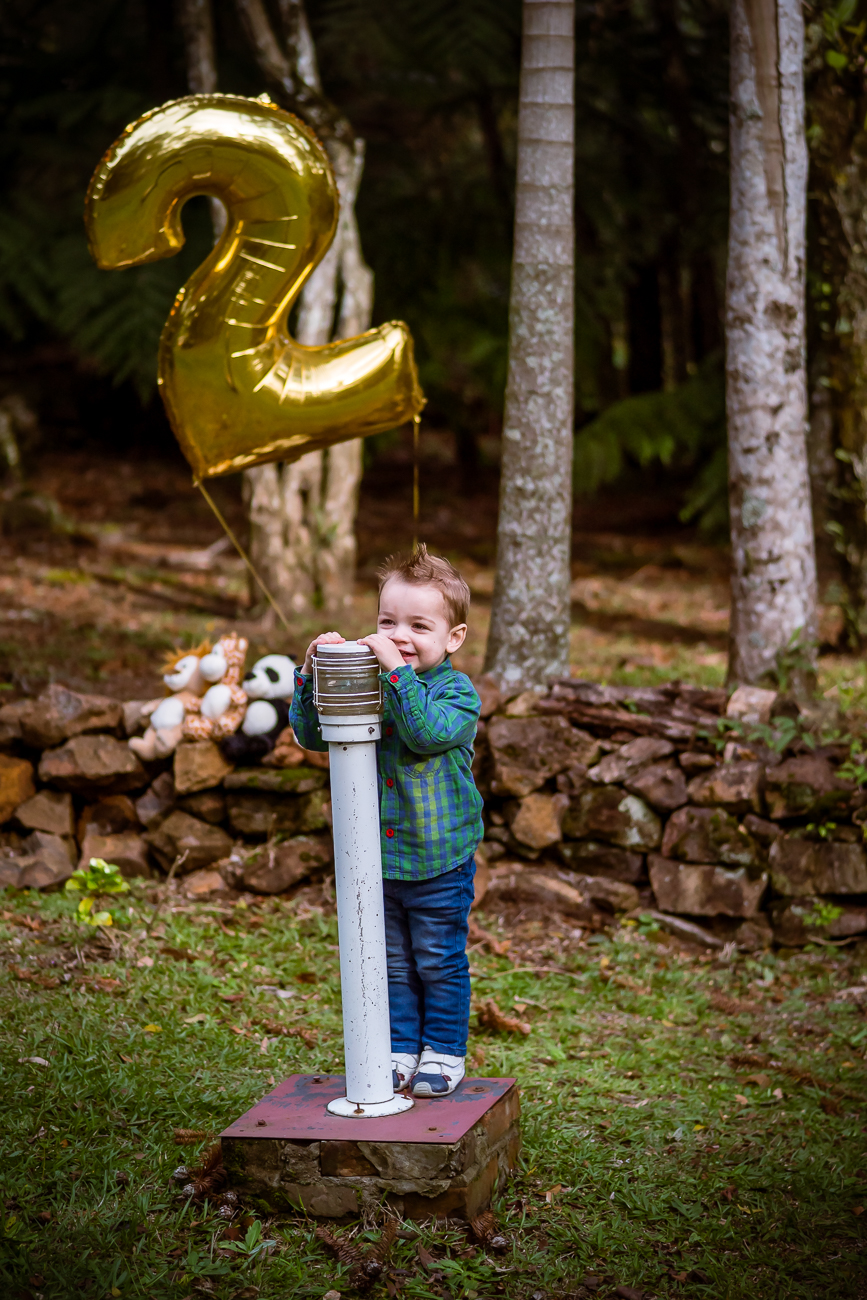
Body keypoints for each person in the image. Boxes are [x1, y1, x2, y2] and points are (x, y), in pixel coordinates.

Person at [289, 544, 484, 1098]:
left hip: (438, 861)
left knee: (438, 961)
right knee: (391, 963)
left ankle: (444, 1052)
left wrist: (397, 672)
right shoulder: (370, 677)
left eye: (418, 625)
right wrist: (314, 672)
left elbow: (424, 735)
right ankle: (398, 1048)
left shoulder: (456, 693)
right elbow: (312, 735)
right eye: (387, 621)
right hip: (376, 858)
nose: (398, 635)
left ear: (454, 638)